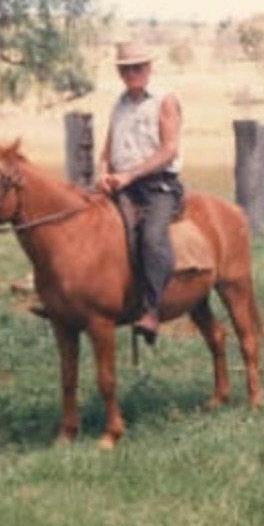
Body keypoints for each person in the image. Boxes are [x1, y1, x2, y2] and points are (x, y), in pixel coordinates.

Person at [97, 42, 185, 343]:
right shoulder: (119, 104)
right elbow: (107, 150)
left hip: (157, 185)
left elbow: (169, 150)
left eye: (138, 67)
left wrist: (130, 175)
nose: (132, 73)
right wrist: (103, 173)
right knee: (84, 224)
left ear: (148, 68)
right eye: (126, 69)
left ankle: (151, 310)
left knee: (151, 237)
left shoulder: (164, 100)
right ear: (120, 72)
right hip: (121, 183)